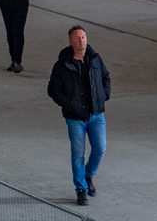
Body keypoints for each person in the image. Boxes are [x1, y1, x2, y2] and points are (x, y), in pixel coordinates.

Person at [47, 25, 111, 206]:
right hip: (75, 118)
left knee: (100, 148)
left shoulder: (95, 59)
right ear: (70, 41)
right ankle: (81, 189)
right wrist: (68, 104)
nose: (81, 40)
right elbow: (52, 90)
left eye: (83, 37)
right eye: (77, 38)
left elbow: (106, 78)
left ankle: (88, 175)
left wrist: (103, 96)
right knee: (78, 154)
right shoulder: (62, 65)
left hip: (95, 114)